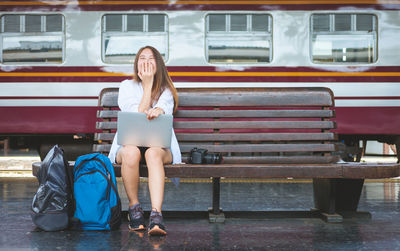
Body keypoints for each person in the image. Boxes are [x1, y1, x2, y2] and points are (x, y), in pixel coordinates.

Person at [108, 46, 181, 236]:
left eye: (151, 58)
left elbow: (164, 107)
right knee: (131, 151)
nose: (146, 61)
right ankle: (135, 209)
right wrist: (147, 86)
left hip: (159, 147)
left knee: (153, 152)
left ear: (159, 65)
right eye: (142, 58)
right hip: (127, 145)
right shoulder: (126, 86)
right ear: (136, 63)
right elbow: (136, 114)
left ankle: (156, 215)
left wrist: (159, 110)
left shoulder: (166, 89)